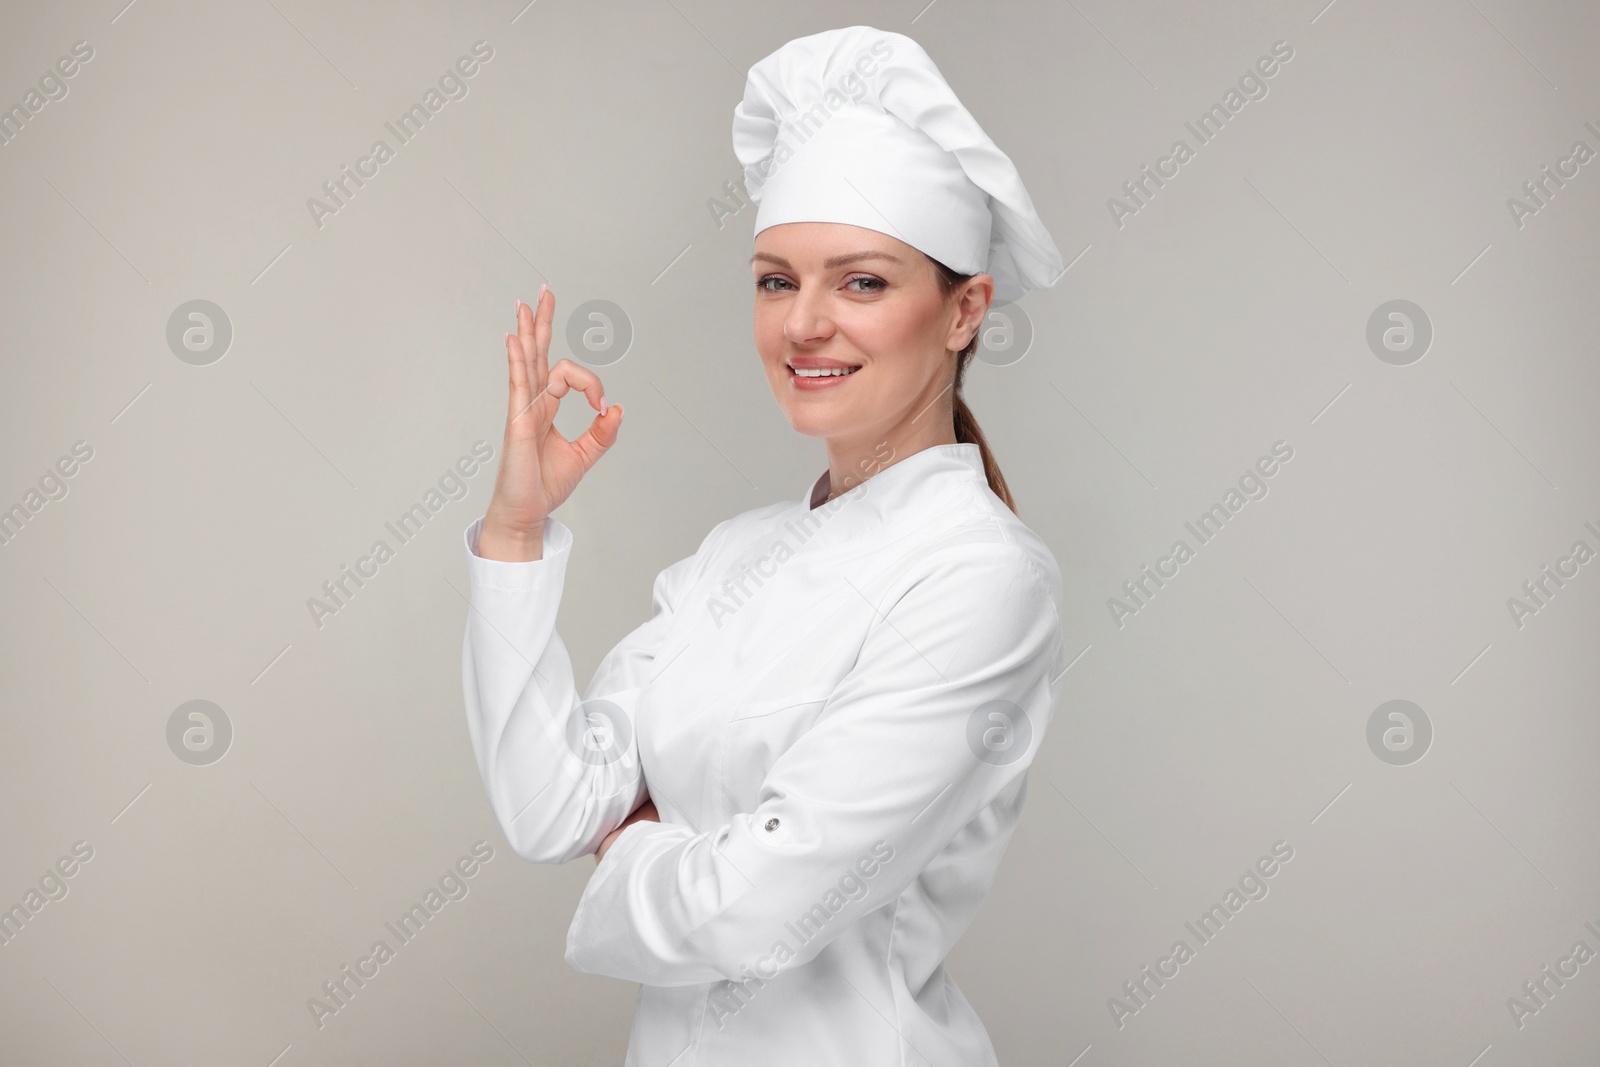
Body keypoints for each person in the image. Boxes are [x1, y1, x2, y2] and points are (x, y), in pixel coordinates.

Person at [462, 24, 1066, 1066]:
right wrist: (515, 532)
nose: (803, 324)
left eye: (863, 282)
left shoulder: (983, 578)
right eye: (776, 279)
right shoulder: (733, 556)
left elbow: (765, 907)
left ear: (964, 308)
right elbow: (546, 801)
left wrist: (630, 843)